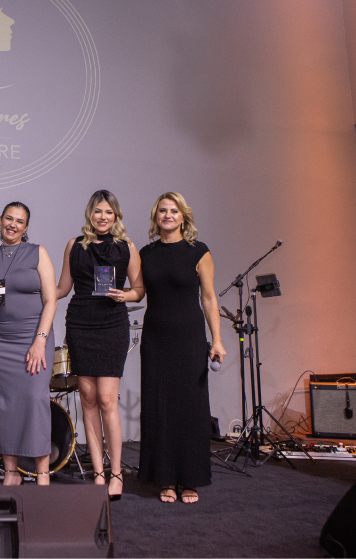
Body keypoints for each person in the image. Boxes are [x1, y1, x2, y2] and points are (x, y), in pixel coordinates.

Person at [137, 192, 225, 504]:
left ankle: (190, 479)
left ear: (183, 217)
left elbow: (209, 298)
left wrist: (217, 339)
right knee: (159, 407)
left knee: (190, 408)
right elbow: (138, 293)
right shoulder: (145, 253)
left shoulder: (199, 251)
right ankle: (165, 479)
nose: (168, 215)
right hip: (155, 340)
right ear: (156, 216)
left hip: (189, 339)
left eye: (174, 211)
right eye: (162, 210)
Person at [57, 190, 143, 501]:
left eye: (108, 212)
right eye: (97, 211)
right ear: (89, 214)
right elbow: (63, 288)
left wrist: (125, 295)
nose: (102, 217)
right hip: (80, 324)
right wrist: (30, 293)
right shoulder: (74, 246)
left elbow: (139, 289)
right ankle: (97, 472)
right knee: (88, 399)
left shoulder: (126, 247)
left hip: (111, 325)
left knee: (107, 399)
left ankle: (116, 472)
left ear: (115, 215)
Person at [0, 202, 57, 485]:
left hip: (33, 337)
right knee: (3, 404)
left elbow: (51, 300)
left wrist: (40, 341)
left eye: (19, 221)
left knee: (34, 401)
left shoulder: (37, 253)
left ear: (26, 227)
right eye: (9, 218)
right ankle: (11, 472)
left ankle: (42, 472)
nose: (13, 224)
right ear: (0, 221)